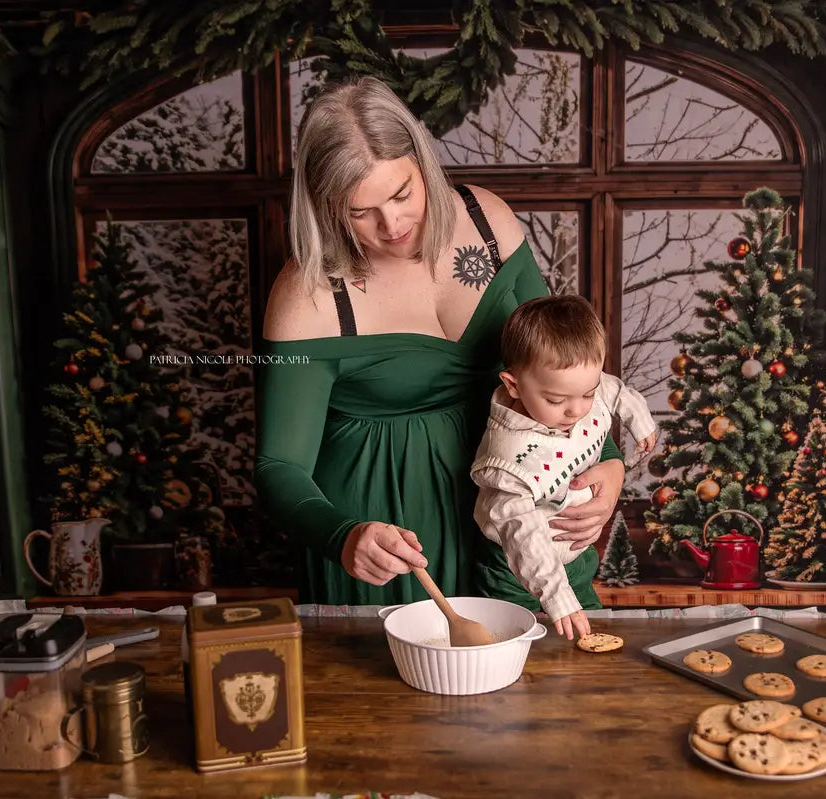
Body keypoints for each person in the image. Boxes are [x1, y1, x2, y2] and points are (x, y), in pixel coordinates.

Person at [255, 76, 627, 605]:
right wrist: (344, 536)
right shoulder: (308, 294)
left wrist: (608, 459)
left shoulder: (487, 223)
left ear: (423, 163)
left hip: (506, 505)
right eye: (360, 211)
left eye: (403, 193)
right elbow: (278, 467)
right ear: (324, 205)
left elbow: (556, 359)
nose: (393, 224)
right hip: (390, 530)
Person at [471, 295, 658, 639]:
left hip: (577, 560)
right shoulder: (508, 460)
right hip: (513, 572)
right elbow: (521, 532)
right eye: (556, 400)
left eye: (586, 394)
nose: (577, 410)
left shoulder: (582, 390)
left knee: (591, 640)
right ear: (513, 385)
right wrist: (555, 593)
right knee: (515, 646)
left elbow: (612, 389)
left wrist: (639, 421)